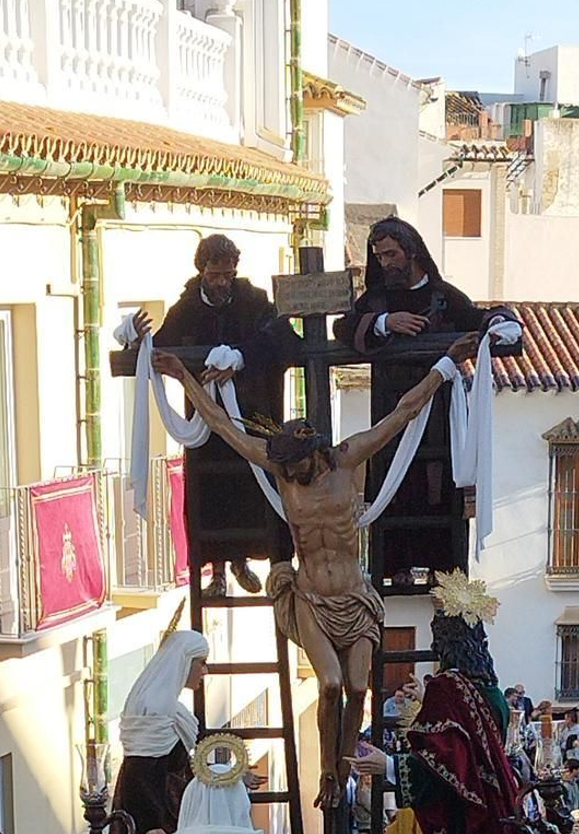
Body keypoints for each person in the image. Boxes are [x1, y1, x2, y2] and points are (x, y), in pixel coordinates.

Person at [156, 334, 477, 809]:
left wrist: (445, 367)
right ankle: (328, 772)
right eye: (283, 464)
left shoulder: (349, 459)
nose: (289, 471)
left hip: (354, 596)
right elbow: (223, 426)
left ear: (315, 452)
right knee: (329, 685)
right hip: (311, 597)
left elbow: (403, 412)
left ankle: (344, 767)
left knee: (360, 688)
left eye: (296, 463)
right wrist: (182, 376)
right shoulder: (283, 470)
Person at [335, 217, 492, 586]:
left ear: (411, 251)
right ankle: (398, 568)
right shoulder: (377, 300)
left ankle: (442, 569)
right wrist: (386, 322)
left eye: (391, 253)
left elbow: (476, 319)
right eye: (379, 255)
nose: (386, 262)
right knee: (395, 482)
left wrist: (501, 321)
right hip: (390, 408)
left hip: (438, 411)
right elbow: (344, 327)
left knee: (436, 488)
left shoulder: (442, 296)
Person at [141, 238, 291, 593]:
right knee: (212, 497)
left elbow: (280, 338)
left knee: (254, 492)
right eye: (215, 275)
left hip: (253, 418)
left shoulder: (254, 302)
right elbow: (161, 348)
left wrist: (240, 357)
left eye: (228, 274)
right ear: (202, 272)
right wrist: (135, 337)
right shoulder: (186, 309)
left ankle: (250, 564)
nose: (223, 282)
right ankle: (219, 573)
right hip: (207, 425)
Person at [110, 627, 208, 834]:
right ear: (183, 662)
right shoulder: (153, 708)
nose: (205, 671)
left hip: (174, 814)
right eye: (201, 663)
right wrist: (150, 826)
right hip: (154, 822)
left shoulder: (171, 708)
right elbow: (140, 773)